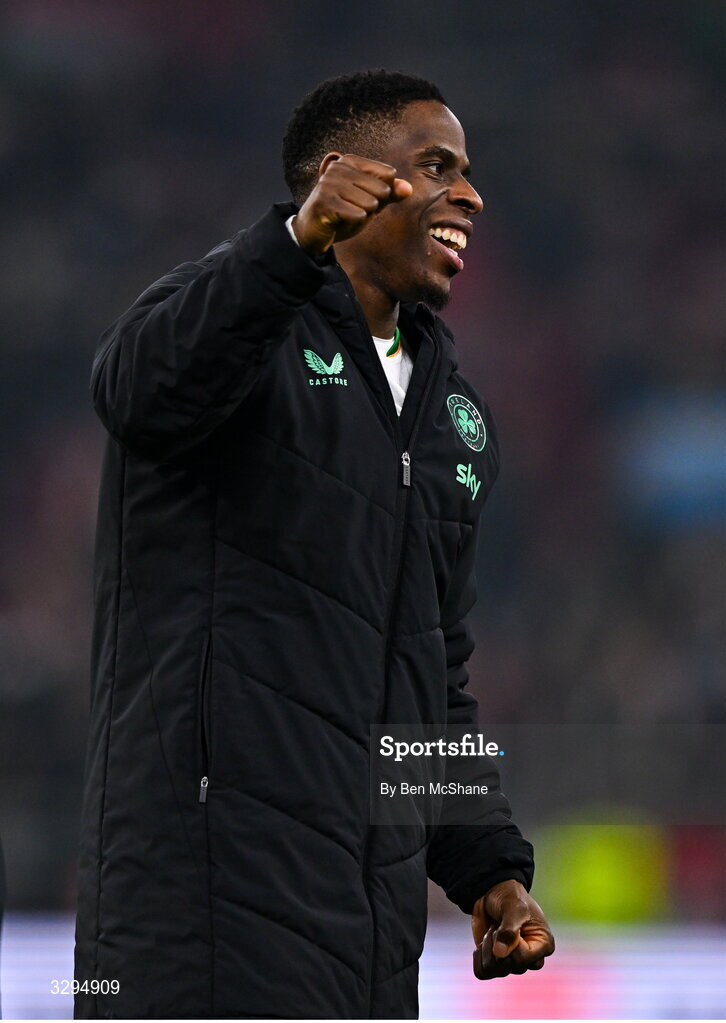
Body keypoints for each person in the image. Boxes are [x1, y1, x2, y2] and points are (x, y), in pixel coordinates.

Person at [74, 69, 554, 1019]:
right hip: (198, 912)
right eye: (437, 165)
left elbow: (430, 674)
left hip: (367, 940)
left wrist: (487, 867)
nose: (470, 193)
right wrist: (294, 244)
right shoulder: (232, 318)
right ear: (346, 179)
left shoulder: (453, 419)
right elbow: (136, 394)